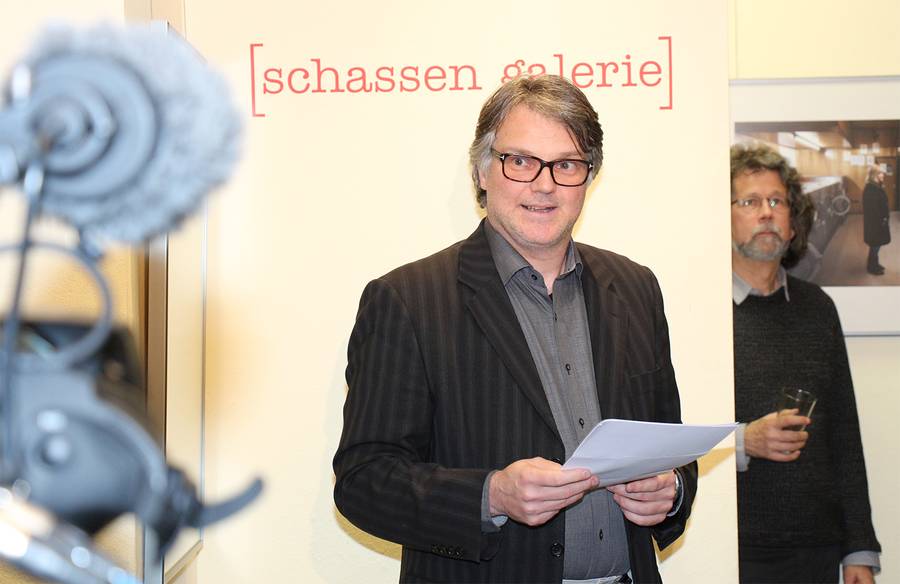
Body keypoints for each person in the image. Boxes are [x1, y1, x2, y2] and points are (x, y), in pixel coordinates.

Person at [333, 75, 696, 584]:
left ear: (588, 178)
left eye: (566, 164)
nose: (544, 185)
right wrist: (491, 496)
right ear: (482, 170)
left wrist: (672, 490)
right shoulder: (407, 299)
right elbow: (363, 479)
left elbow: (669, 445)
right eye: (521, 161)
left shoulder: (636, 288)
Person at [730, 144, 881, 584]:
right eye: (749, 201)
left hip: (817, 550)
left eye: (777, 201)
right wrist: (743, 441)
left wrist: (859, 548)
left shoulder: (818, 308)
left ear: (794, 223)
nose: (766, 212)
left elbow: (844, 432)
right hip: (730, 545)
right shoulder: (697, 312)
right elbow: (673, 429)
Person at [862, 166, 891, 275]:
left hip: (878, 222)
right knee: (875, 245)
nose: (883, 175)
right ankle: (872, 267)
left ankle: (875, 263)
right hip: (875, 224)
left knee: (876, 245)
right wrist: (882, 220)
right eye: (880, 173)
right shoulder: (871, 189)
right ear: (874, 175)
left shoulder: (875, 186)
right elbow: (873, 210)